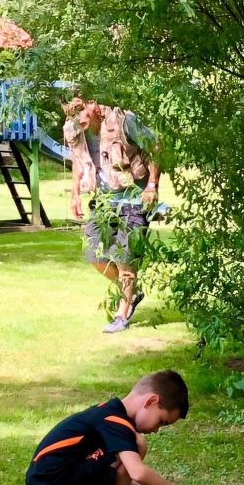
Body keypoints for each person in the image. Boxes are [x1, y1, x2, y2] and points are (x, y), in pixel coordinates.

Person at [26, 370, 199, 485]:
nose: (156, 430)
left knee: (132, 449)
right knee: (139, 445)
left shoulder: (108, 414)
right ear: (150, 401)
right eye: (161, 421)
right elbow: (137, 473)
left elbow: (119, 484)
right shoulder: (116, 422)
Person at [64, 97, 162, 334]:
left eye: (81, 110)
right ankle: (130, 290)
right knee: (93, 252)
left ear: (93, 103)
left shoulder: (124, 121)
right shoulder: (74, 130)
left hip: (133, 198)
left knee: (124, 256)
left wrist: (152, 186)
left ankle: (122, 313)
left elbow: (156, 147)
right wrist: (75, 193)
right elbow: (79, 162)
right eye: (72, 113)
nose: (79, 118)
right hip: (104, 202)